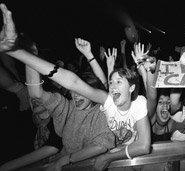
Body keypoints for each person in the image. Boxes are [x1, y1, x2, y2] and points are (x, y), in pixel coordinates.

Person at [0, 4, 150, 170]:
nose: (77, 96)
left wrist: (70, 159)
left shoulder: (105, 110)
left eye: (82, 93)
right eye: (74, 93)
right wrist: (24, 52)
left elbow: (90, 85)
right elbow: (41, 92)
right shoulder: (69, 107)